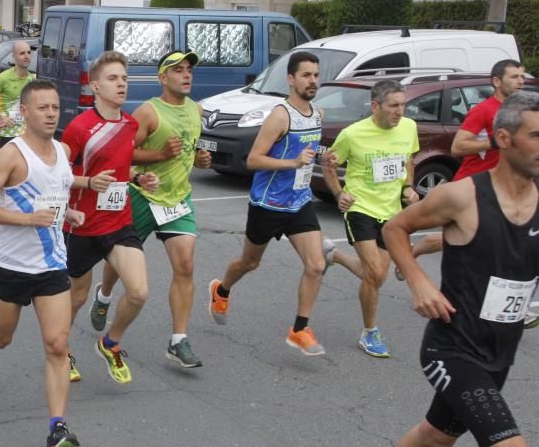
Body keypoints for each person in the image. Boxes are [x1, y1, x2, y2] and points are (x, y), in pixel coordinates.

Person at [354, 91, 539, 447]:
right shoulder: (463, 193)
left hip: (501, 348)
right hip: (452, 347)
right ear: (503, 138)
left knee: (438, 435)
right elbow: (395, 228)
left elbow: (499, 249)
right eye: (536, 135)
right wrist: (418, 283)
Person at [0, 79, 84, 447]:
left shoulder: (63, 151)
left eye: (55, 107)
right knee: (2, 337)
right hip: (11, 265)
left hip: (51, 265)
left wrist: (70, 214)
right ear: (25, 113)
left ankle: (57, 428)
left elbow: (55, 200)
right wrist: (27, 220)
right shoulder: (11, 155)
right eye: (43, 108)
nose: (51, 114)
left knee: (57, 344)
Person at [208, 51, 337, 357]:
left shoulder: (317, 114)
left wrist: (322, 156)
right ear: (291, 80)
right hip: (268, 203)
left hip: (299, 202)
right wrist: (292, 162)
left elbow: (307, 147)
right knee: (249, 262)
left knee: (316, 264)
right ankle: (221, 289)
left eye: (316, 75)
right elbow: (253, 159)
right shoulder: (280, 115)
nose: (313, 81)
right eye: (306, 75)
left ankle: (300, 329)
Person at [96, 51, 212, 367]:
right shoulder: (148, 112)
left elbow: (192, 148)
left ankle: (178, 340)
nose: (186, 75)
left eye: (189, 70)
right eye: (178, 70)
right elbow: (125, 156)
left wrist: (201, 159)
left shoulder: (195, 109)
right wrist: (160, 154)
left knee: (185, 265)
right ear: (163, 78)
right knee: (119, 261)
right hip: (142, 195)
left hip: (177, 199)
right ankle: (104, 293)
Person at [60, 50, 158, 384]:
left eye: (124, 79)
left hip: (119, 222)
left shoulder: (130, 125)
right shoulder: (79, 128)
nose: (121, 85)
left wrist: (138, 178)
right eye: (113, 79)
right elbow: (56, 174)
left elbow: (120, 169)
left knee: (139, 292)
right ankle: (63, 351)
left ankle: (110, 342)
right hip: (82, 226)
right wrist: (86, 181)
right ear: (95, 85)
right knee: (77, 296)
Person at [396, 59, 527, 276]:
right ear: (496, 81)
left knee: (490, 236)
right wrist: (494, 142)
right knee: (471, 234)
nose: (521, 81)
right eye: (514, 77)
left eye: (522, 76)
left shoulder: (521, 112)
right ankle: (414, 251)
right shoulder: (484, 111)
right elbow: (458, 146)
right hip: (473, 184)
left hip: (503, 186)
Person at [319, 79, 421, 357]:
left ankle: (335, 256)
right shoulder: (353, 134)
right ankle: (369, 332)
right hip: (361, 208)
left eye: (403, 105)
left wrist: (408, 187)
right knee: (375, 273)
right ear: (375, 106)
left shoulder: (409, 128)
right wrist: (339, 193)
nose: (400, 112)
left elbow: (409, 159)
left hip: (392, 212)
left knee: (374, 276)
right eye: (393, 106)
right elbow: (328, 162)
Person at [0, 40, 35, 166]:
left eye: (29, 53)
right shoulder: (3, 79)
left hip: (23, 132)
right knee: (3, 172)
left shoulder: (32, 79)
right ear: (14, 56)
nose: (26, 56)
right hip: (5, 132)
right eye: (22, 53)